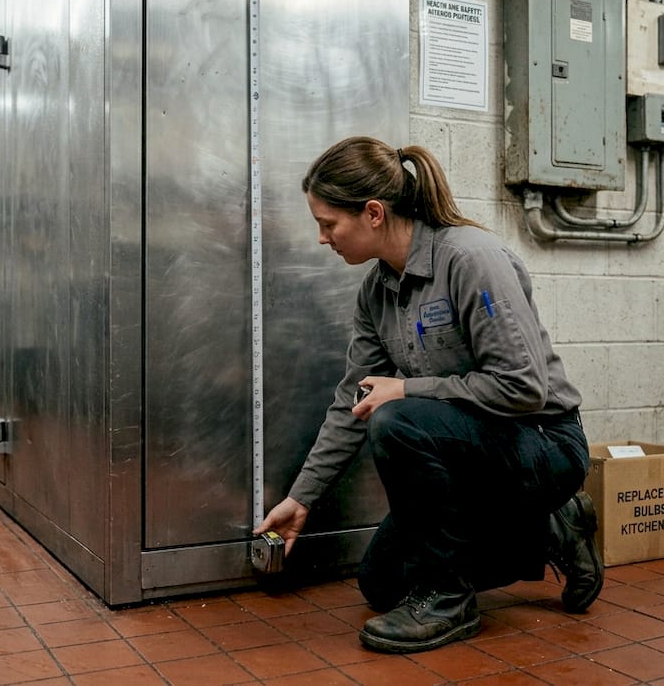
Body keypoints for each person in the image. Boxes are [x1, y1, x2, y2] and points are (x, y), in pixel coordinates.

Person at [253, 136, 603, 654]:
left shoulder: (469, 259)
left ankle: (450, 597)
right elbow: (353, 400)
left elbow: (524, 388)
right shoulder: (377, 292)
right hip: (474, 454)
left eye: (328, 224)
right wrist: (302, 498)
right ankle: (550, 528)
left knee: (395, 420)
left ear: (373, 213)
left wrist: (408, 387)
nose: (323, 238)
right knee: (383, 585)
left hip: (544, 443)